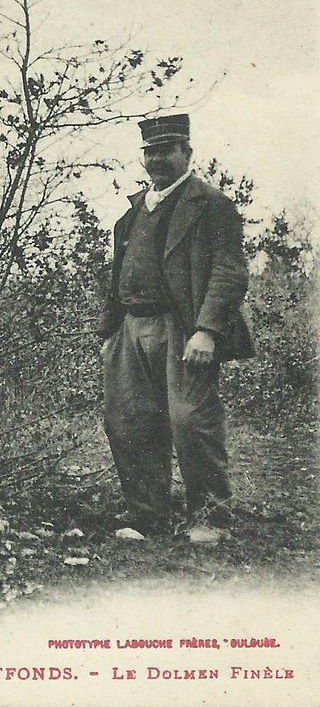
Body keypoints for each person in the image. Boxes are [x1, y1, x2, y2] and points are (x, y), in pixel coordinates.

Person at [97, 113, 255, 544]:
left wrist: (208, 330)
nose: (157, 159)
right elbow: (118, 274)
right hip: (131, 326)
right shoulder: (133, 211)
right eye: (150, 152)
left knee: (191, 421)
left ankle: (211, 518)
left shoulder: (212, 204)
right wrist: (109, 335)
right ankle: (147, 515)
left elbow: (229, 271)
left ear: (187, 152)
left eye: (166, 151)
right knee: (128, 420)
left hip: (183, 328)